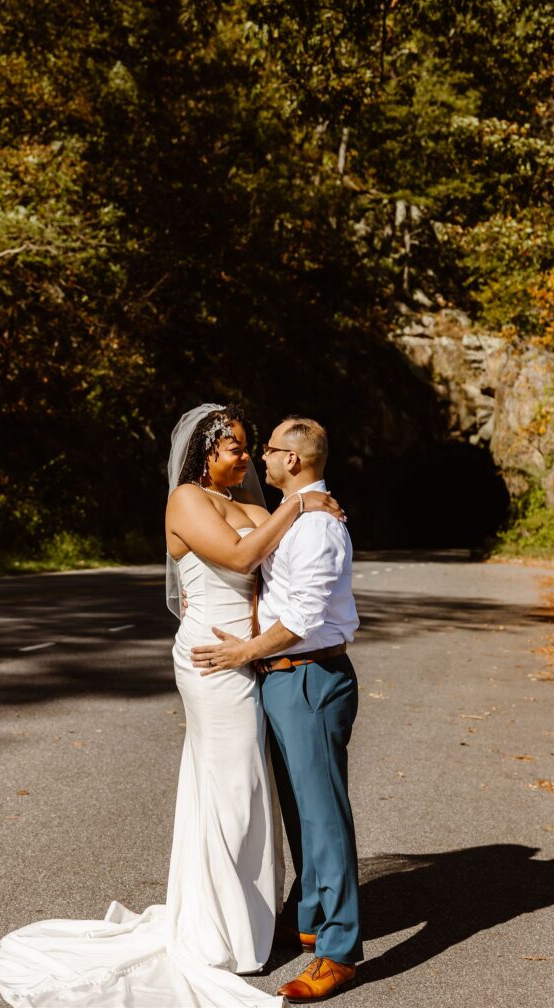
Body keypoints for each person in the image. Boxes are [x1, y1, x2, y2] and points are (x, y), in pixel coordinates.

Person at [0, 403, 344, 1008]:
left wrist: (312, 518)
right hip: (211, 659)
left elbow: (278, 571)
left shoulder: (258, 507)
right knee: (232, 785)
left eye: (248, 445)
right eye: (235, 445)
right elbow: (237, 559)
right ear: (207, 451)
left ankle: (251, 921)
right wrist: (299, 504)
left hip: (248, 657)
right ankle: (218, 932)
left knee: (247, 787)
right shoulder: (187, 500)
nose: (244, 455)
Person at [191, 416, 362, 1005]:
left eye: (266, 449)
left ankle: (338, 952)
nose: (259, 457)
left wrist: (244, 650)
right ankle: (307, 917)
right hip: (282, 679)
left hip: (311, 677)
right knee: (297, 809)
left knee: (323, 816)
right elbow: (244, 560)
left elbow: (306, 618)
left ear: (292, 459)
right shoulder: (293, 514)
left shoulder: (317, 527)